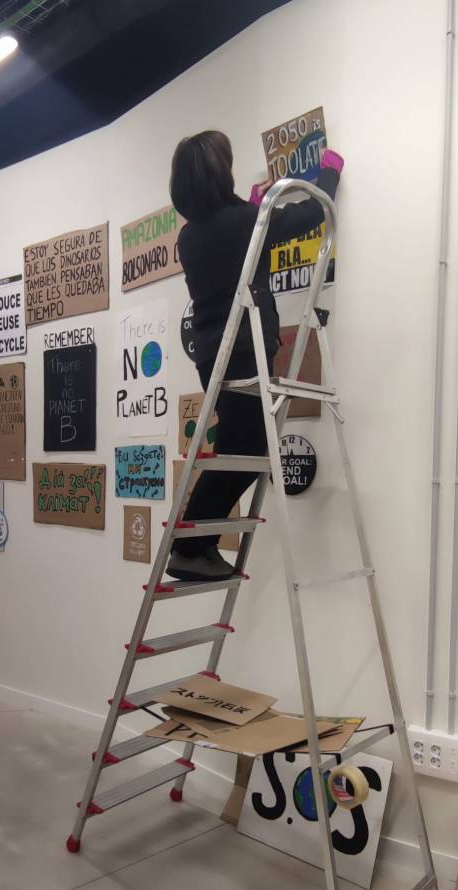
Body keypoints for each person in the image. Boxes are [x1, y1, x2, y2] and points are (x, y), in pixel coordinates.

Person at [166, 129, 343, 581]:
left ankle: (197, 545)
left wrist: (252, 203)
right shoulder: (245, 222)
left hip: (214, 358)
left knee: (238, 449)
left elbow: (234, 249)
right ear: (217, 176)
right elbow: (307, 216)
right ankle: (190, 547)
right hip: (244, 353)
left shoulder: (190, 236)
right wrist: (329, 173)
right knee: (249, 451)